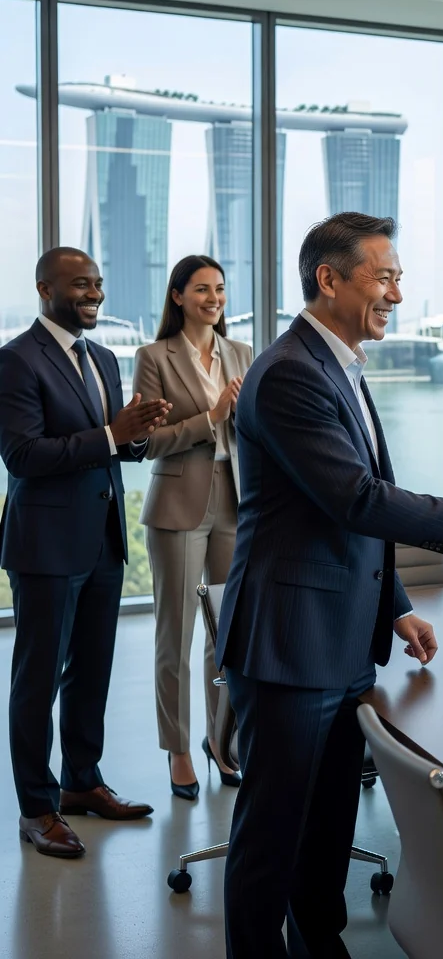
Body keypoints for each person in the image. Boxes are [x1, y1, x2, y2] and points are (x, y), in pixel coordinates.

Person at [214, 212, 443, 958]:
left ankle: (319, 947)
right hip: (290, 646)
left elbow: (347, 511)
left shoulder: (338, 363)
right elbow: (356, 499)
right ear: (329, 279)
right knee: (273, 838)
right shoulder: (293, 372)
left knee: (326, 827)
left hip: (337, 637)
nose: (398, 291)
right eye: (385, 275)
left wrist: (394, 606)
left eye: (398, 276)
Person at [0, 248, 170, 858]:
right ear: (45, 287)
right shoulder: (17, 361)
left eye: (98, 283)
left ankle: (81, 782)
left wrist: (137, 433)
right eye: (81, 284)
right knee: (37, 680)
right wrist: (110, 435)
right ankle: (37, 809)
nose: (94, 293)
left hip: (102, 540)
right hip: (45, 545)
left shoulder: (102, 356)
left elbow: (112, 447)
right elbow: (23, 457)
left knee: (92, 671)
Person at [133, 255, 252, 799]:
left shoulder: (242, 354)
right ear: (178, 295)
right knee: (175, 636)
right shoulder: (154, 356)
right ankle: (178, 750)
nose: (214, 298)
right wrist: (211, 418)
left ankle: (220, 742)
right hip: (179, 504)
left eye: (220, 289)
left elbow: (255, 430)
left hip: (236, 502)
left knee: (226, 635)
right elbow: (145, 442)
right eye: (202, 289)